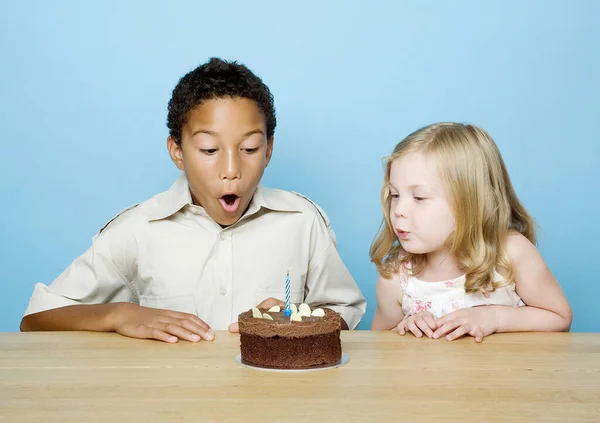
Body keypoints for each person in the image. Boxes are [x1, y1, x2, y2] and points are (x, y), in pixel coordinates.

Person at [21, 58, 366, 342]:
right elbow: (36, 318)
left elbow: (344, 310)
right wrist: (121, 314)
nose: (231, 170)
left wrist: (301, 322)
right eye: (209, 150)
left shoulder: (302, 222)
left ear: (269, 150)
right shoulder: (139, 229)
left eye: (249, 149)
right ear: (177, 152)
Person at [370, 122, 571, 342]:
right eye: (395, 195)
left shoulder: (510, 252)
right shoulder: (397, 276)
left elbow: (559, 318)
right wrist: (405, 327)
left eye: (419, 197)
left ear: (471, 200)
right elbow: (379, 343)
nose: (399, 210)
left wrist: (495, 317)